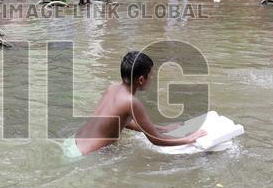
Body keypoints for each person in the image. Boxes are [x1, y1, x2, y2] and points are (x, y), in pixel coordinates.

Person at [65, 51, 209, 157]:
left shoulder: (112, 88)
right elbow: (156, 140)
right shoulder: (132, 102)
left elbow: (121, 121)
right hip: (84, 156)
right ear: (141, 79)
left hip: (72, 143)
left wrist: (161, 128)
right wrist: (188, 139)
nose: (152, 78)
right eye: (151, 75)